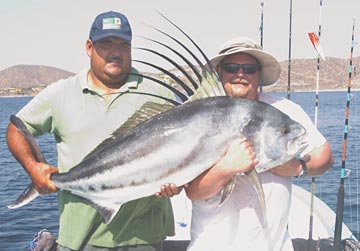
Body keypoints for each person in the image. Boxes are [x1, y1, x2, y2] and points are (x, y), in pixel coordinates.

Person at [6, 11, 179, 251]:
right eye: (106, 44)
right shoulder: (61, 94)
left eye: (123, 45)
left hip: (144, 238)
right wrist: (33, 168)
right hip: (78, 239)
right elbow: (17, 127)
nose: (116, 52)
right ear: (89, 47)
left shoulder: (159, 94)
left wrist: (178, 181)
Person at [184, 37, 334, 251]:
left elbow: (325, 157)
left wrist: (298, 167)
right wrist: (227, 168)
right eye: (231, 67)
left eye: (249, 69)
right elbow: (194, 192)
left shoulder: (285, 110)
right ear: (219, 72)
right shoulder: (196, 115)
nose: (240, 74)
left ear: (259, 74)